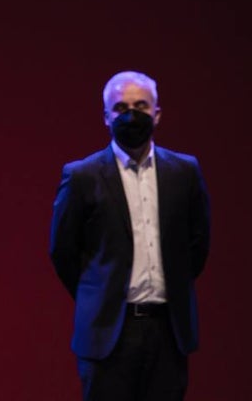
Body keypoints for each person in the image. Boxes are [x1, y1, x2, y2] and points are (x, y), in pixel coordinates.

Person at [49, 70, 211, 401]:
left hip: (167, 330)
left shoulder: (184, 172)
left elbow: (198, 243)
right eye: (121, 108)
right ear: (106, 117)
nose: (131, 114)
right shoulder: (82, 175)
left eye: (140, 105)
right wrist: (97, 294)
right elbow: (63, 250)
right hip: (108, 332)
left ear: (157, 113)